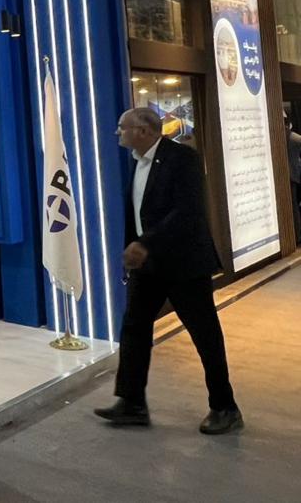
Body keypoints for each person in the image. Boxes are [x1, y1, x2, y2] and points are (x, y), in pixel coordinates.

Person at [96, 107, 242, 434]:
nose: (118, 132)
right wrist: (134, 249)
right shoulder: (137, 162)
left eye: (122, 127)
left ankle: (225, 407)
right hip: (148, 266)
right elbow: (139, 213)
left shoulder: (182, 159)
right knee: (134, 329)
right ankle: (131, 403)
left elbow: (187, 212)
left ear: (144, 131)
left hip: (184, 264)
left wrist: (145, 243)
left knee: (204, 334)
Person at [285, 111, 301, 246]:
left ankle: (296, 235)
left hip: (288, 176)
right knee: (294, 206)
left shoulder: (280, 136)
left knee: (293, 206)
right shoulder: (294, 137)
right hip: (294, 175)